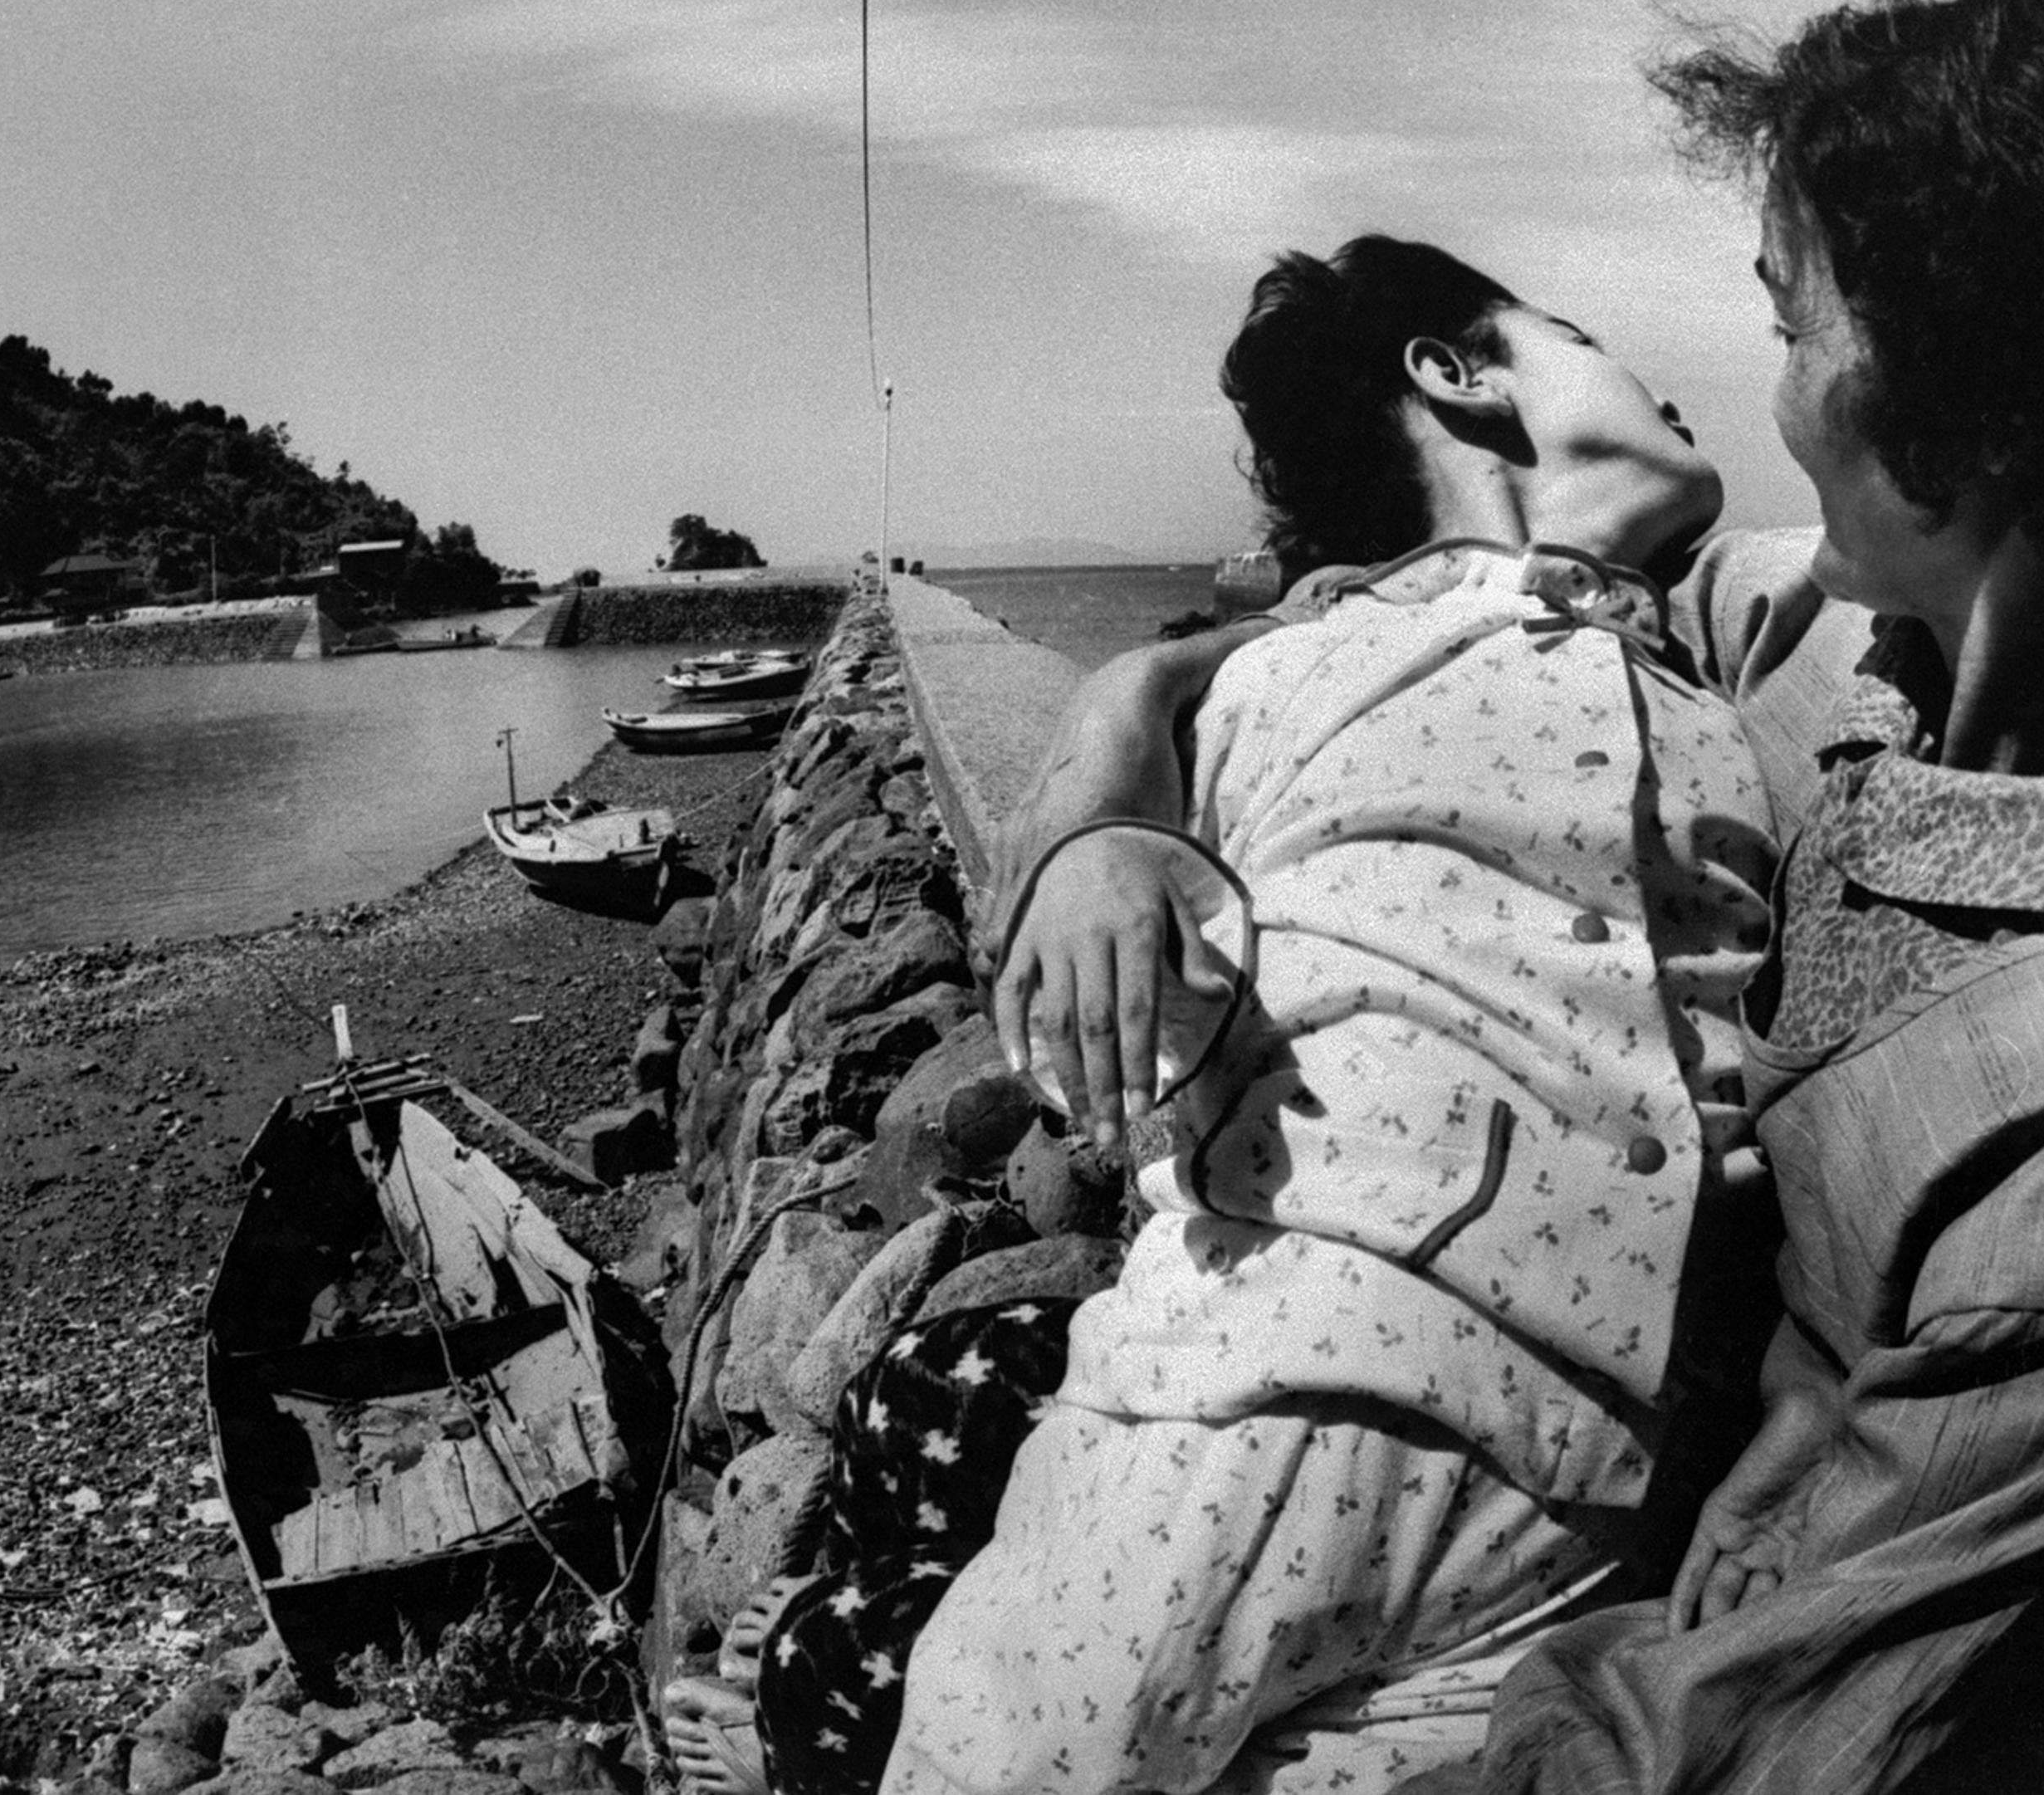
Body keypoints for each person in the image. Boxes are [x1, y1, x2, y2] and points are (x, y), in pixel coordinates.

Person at [994, 0, 2044, 1795]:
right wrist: (1108, 795)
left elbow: (1755, 1726)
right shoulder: (1811, 630)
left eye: (1793, 325)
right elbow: (1326, 644)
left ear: (1956, 425)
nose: (1774, 403)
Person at [670, 234, 1788, 1795]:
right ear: (1454, 374)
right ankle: (879, 1653)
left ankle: (839, 1679)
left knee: (928, 1696)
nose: (1673, 387)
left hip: (1482, 1408)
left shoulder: (1712, 624)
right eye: (1583, 336)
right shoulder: (1304, 667)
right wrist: (1098, 806)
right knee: (934, 1418)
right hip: (1306, 1343)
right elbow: (1134, 883)